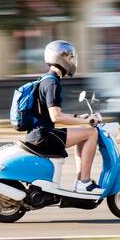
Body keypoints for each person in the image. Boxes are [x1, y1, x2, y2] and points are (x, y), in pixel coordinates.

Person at [25, 40, 104, 195]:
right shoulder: (52, 83)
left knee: (84, 132)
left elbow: (52, 113)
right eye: (69, 58)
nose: (72, 61)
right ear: (59, 59)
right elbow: (56, 116)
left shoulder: (47, 79)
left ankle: (81, 179)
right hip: (44, 137)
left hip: (39, 134)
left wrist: (79, 117)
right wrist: (85, 121)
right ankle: (84, 182)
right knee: (91, 133)